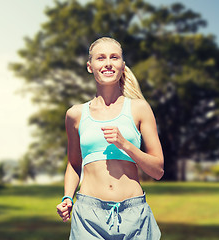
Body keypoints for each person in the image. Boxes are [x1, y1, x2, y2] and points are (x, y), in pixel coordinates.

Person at [56, 37, 164, 240]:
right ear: (90, 66)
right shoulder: (75, 114)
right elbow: (74, 163)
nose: (107, 63)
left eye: (114, 57)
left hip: (135, 217)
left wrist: (125, 145)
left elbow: (158, 170)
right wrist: (67, 197)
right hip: (89, 217)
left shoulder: (139, 108)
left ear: (122, 65)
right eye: (100, 58)